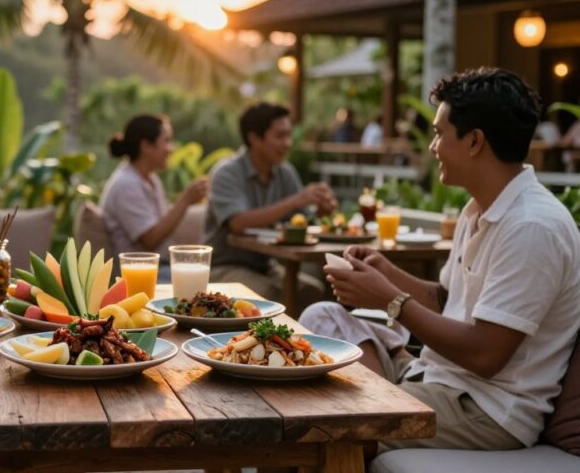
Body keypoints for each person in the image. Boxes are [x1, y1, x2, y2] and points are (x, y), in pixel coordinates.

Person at [303, 67, 580, 452]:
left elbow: (486, 355)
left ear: (474, 142)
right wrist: (388, 273)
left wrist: (389, 300)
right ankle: (379, 397)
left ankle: (366, 414)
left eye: (439, 134)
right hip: (437, 376)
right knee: (322, 318)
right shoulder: (479, 208)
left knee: (320, 418)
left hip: (484, 409)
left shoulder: (533, 227)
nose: (433, 147)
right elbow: (449, 302)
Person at [202, 102, 337, 307]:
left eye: (289, 135)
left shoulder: (285, 171)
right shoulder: (227, 172)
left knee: (312, 291)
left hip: (267, 265)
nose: (287, 143)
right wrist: (296, 200)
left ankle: (297, 339)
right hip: (223, 266)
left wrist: (321, 210)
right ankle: (276, 339)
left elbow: (302, 220)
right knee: (270, 296)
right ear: (254, 138)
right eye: (280, 136)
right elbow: (238, 222)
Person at [99, 114, 209, 262]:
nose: (172, 148)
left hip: (160, 265)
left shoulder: (151, 179)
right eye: (167, 141)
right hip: (138, 272)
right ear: (146, 146)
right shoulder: (126, 185)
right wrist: (185, 200)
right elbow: (151, 240)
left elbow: (161, 224)